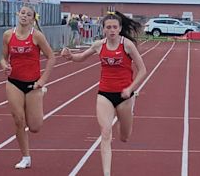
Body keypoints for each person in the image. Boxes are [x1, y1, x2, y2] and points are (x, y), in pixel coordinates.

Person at [61, 10, 147, 176]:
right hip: (105, 94)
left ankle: (128, 116)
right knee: (105, 132)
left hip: (125, 96)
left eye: (115, 27)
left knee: (124, 137)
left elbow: (143, 70)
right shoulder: (99, 45)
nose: (112, 30)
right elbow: (81, 57)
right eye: (109, 27)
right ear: (104, 29)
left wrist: (130, 88)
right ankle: (106, 173)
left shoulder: (127, 45)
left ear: (120, 28)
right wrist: (70, 56)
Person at [0, 6, 55, 169]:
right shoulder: (8, 35)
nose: (24, 16)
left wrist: (43, 81)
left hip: (33, 84)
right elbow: (2, 57)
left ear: (33, 19)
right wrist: (5, 66)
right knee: (18, 120)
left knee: (35, 127)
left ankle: (40, 95)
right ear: (18, 15)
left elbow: (51, 58)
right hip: (13, 82)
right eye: (22, 13)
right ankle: (26, 157)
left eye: (28, 14)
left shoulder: (37, 36)